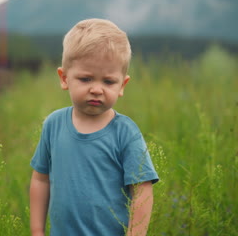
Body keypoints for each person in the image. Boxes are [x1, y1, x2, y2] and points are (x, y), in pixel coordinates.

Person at [30, 18, 159, 236]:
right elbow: (40, 179)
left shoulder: (125, 132)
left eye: (108, 82)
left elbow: (142, 191)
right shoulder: (54, 125)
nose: (97, 89)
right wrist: (37, 231)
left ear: (122, 85)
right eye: (86, 79)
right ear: (64, 78)